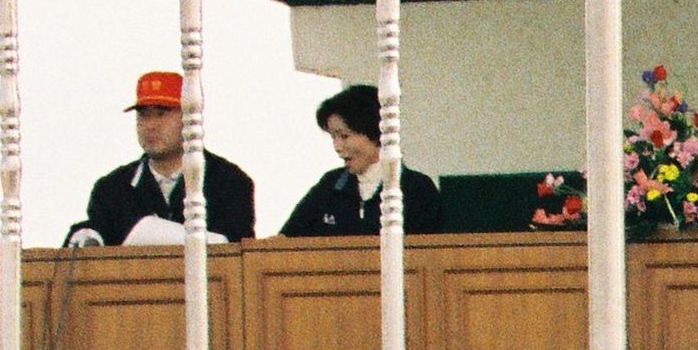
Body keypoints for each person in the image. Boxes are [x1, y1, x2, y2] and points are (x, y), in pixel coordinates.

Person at [80, 70, 258, 248]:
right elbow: (91, 242)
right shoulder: (112, 190)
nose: (151, 126)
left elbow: (240, 258)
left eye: (161, 114)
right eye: (143, 115)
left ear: (190, 116)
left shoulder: (229, 183)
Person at [286, 81, 445, 239]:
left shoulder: (417, 189)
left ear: (376, 133)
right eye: (333, 137)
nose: (337, 147)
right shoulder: (330, 184)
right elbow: (285, 241)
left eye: (344, 136)